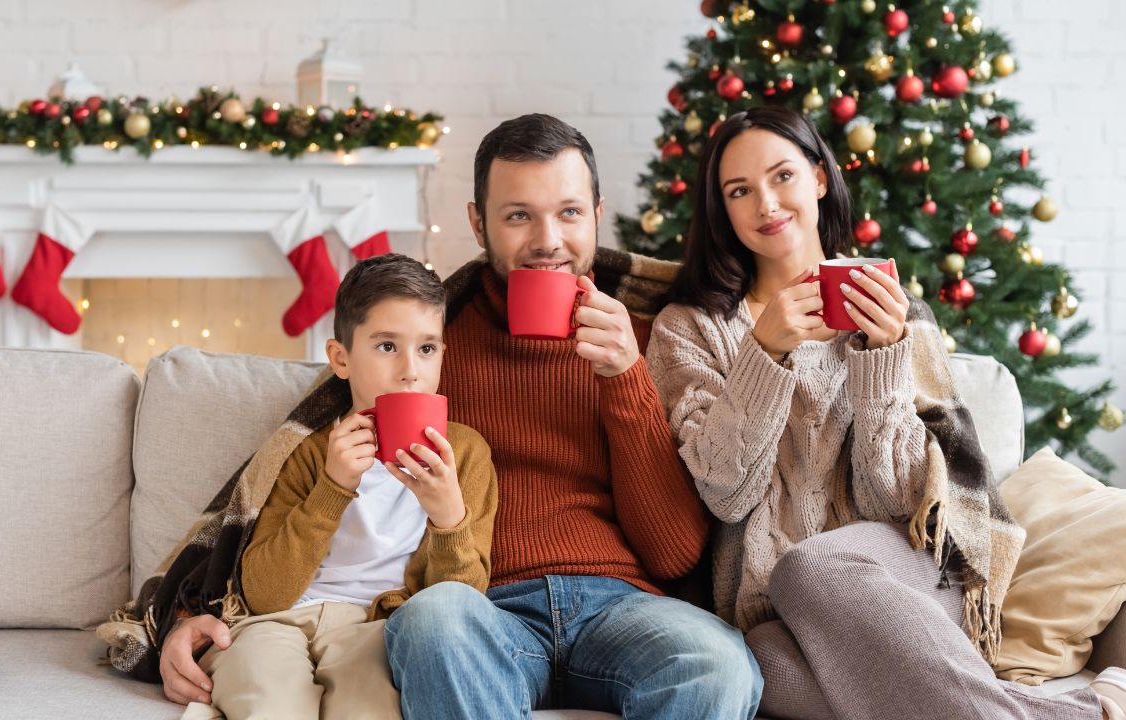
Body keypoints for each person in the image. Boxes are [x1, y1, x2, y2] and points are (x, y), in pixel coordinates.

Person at [646, 104, 1104, 719]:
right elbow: (726, 494)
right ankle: (1081, 713)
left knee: (812, 566)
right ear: (721, 209)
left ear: (818, 178)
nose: (766, 203)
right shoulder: (690, 328)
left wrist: (882, 358)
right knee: (765, 669)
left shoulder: (892, 309)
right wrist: (764, 354)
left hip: (900, 578)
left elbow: (894, 501)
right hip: (770, 610)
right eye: (740, 190)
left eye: (783, 176)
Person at [380, 114, 762, 719]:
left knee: (717, 662)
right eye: (518, 216)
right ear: (478, 223)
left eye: (569, 212)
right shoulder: (426, 345)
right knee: (432, 619)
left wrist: (625, 377)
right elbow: (315, 470)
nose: (547, 240)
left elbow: (674, 554)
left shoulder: (653, 338)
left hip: (623, 608)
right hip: (486, 606)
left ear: (597, 215)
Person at [175, 253, 498, 719]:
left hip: (375, 629)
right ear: (340, 358)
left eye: (427, 348)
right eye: (387, 346)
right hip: (277, 624)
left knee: (370, 709)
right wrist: (331, 487)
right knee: (267, 699)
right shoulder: (306, 451)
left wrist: (448, 518)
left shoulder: (464, 455)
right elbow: (265, 594)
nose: (410, 369)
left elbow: (460, 608)